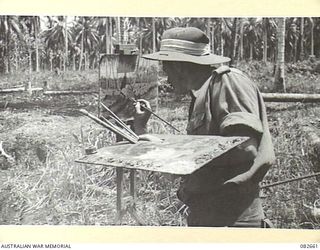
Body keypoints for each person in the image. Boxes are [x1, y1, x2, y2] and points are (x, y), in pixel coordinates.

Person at [133, 27, 275, 227]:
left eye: (167, 70)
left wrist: (173, 150)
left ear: (180, 66)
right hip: (209, 214)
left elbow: (244, 148)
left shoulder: (228, 82)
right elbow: (205, 148)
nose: (167, 79)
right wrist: (145, 131)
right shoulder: (203, 93)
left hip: (232, 219)